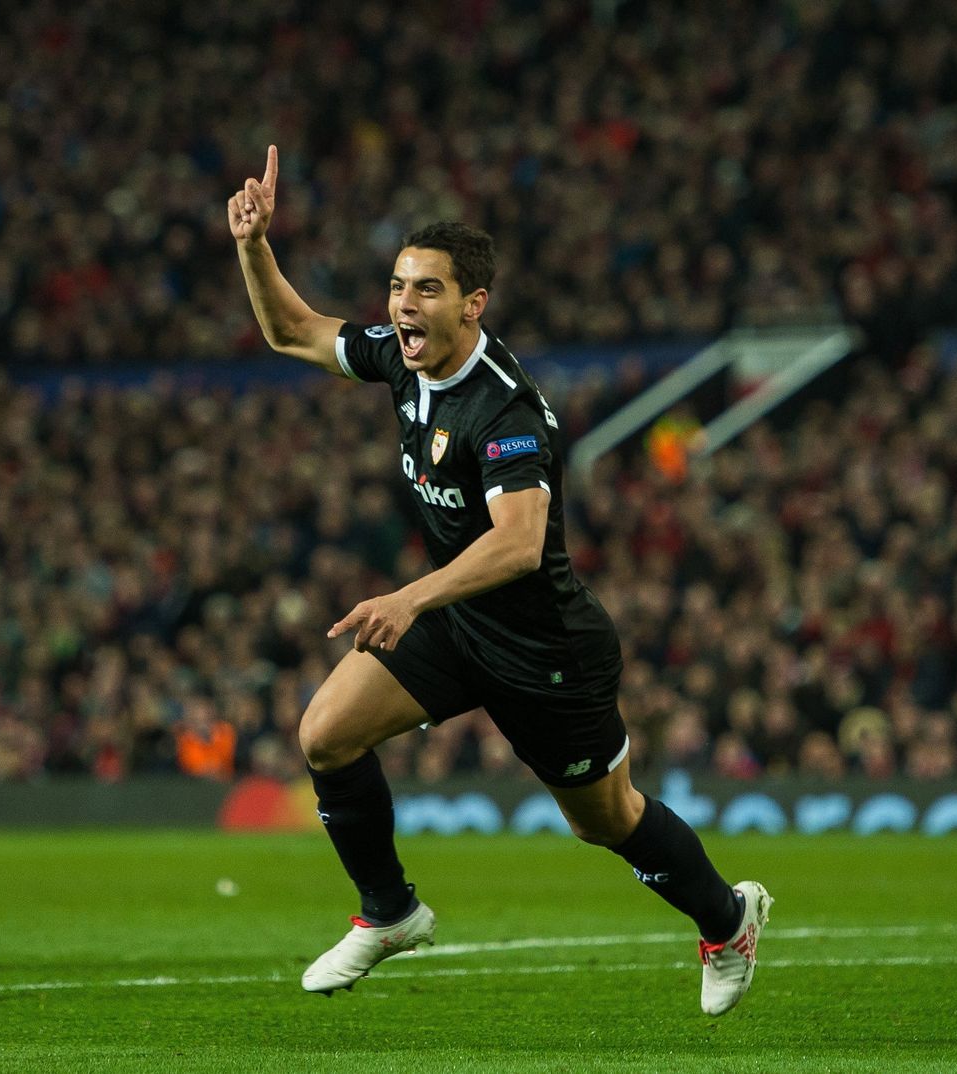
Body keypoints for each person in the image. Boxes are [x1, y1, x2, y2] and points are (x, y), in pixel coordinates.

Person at [226, 147, 769, 1015]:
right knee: (325, 733)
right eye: (399, 286)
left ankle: (726, 918)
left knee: (604, 820)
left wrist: (407, 597)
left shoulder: (504, 408)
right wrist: (254, 245)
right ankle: (390, 912)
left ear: (473, 303)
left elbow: (519, 546)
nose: (404, 303)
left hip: (545, 646)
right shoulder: (405, 359)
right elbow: (293, 330)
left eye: (427, 289)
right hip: (460, 621)